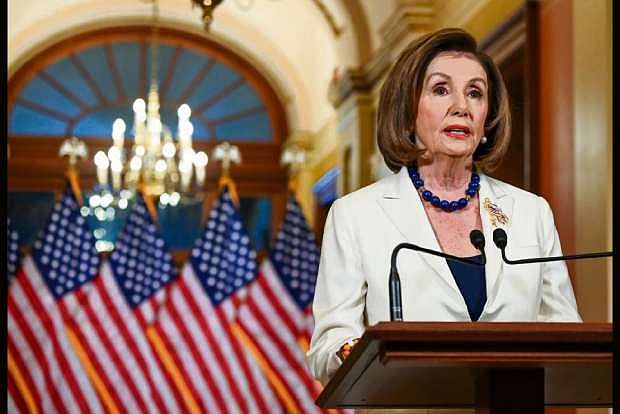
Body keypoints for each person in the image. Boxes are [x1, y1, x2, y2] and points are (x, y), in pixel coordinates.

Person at [306, 28, 582, 389]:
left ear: (486, 118)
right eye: (440, 90)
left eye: (475, 93)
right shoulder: (356, 215)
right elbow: (328, 345)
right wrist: (352, 351)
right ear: (407, 112)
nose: (461, 107)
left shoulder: (531, 213)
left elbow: (564, 332)